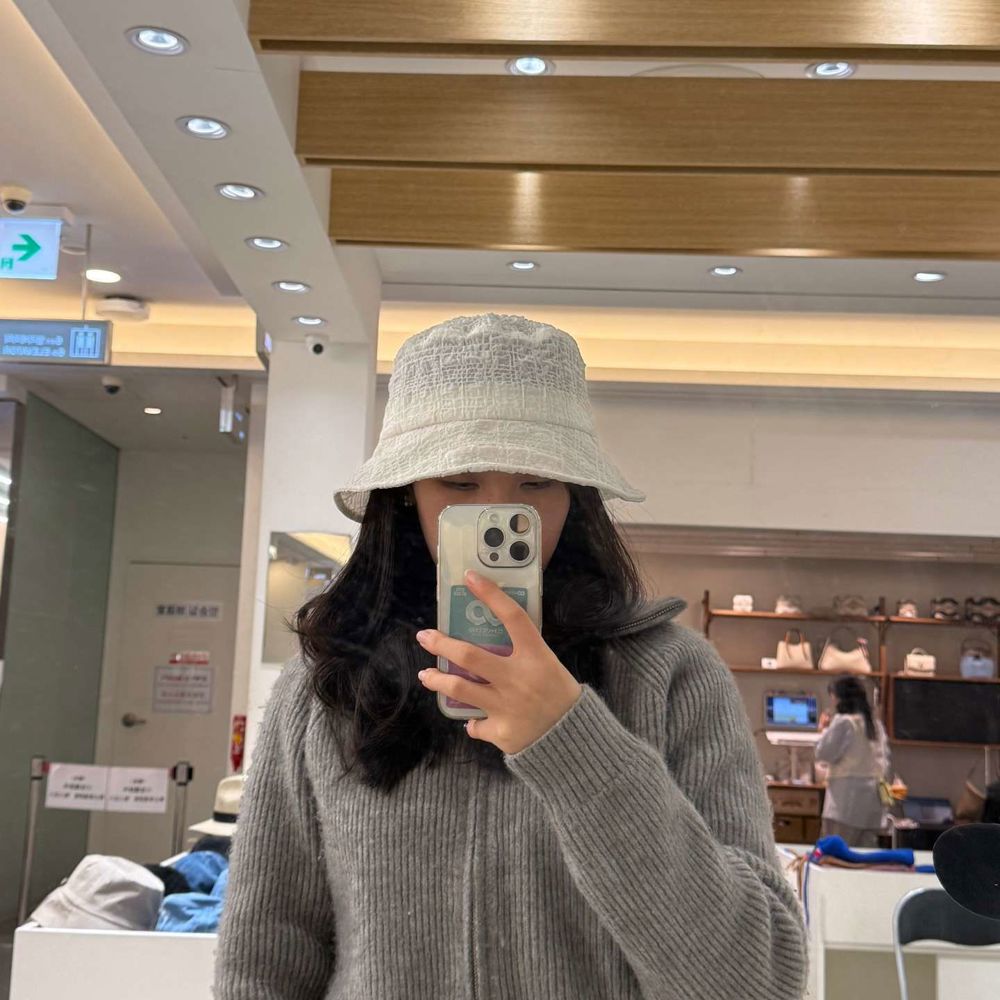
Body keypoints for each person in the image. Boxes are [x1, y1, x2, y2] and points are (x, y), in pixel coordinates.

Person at [213, 314, 807, 1000]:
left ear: (576, 498)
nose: (499, 510)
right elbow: (262, 966)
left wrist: (573, 741)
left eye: (537, 483)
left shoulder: (673, 677)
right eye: (459, 484)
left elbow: (758, 982)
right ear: (404, 497)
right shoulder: (325, 686)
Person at [815, 675, 891, 847]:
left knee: (835, 854)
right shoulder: (875, 725)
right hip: (873, 803)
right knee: (864, 857)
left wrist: (823, 730)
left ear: (839, 698)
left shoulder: (844, 722)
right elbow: (885, 762)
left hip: (846, 803)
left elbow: (823, 753)